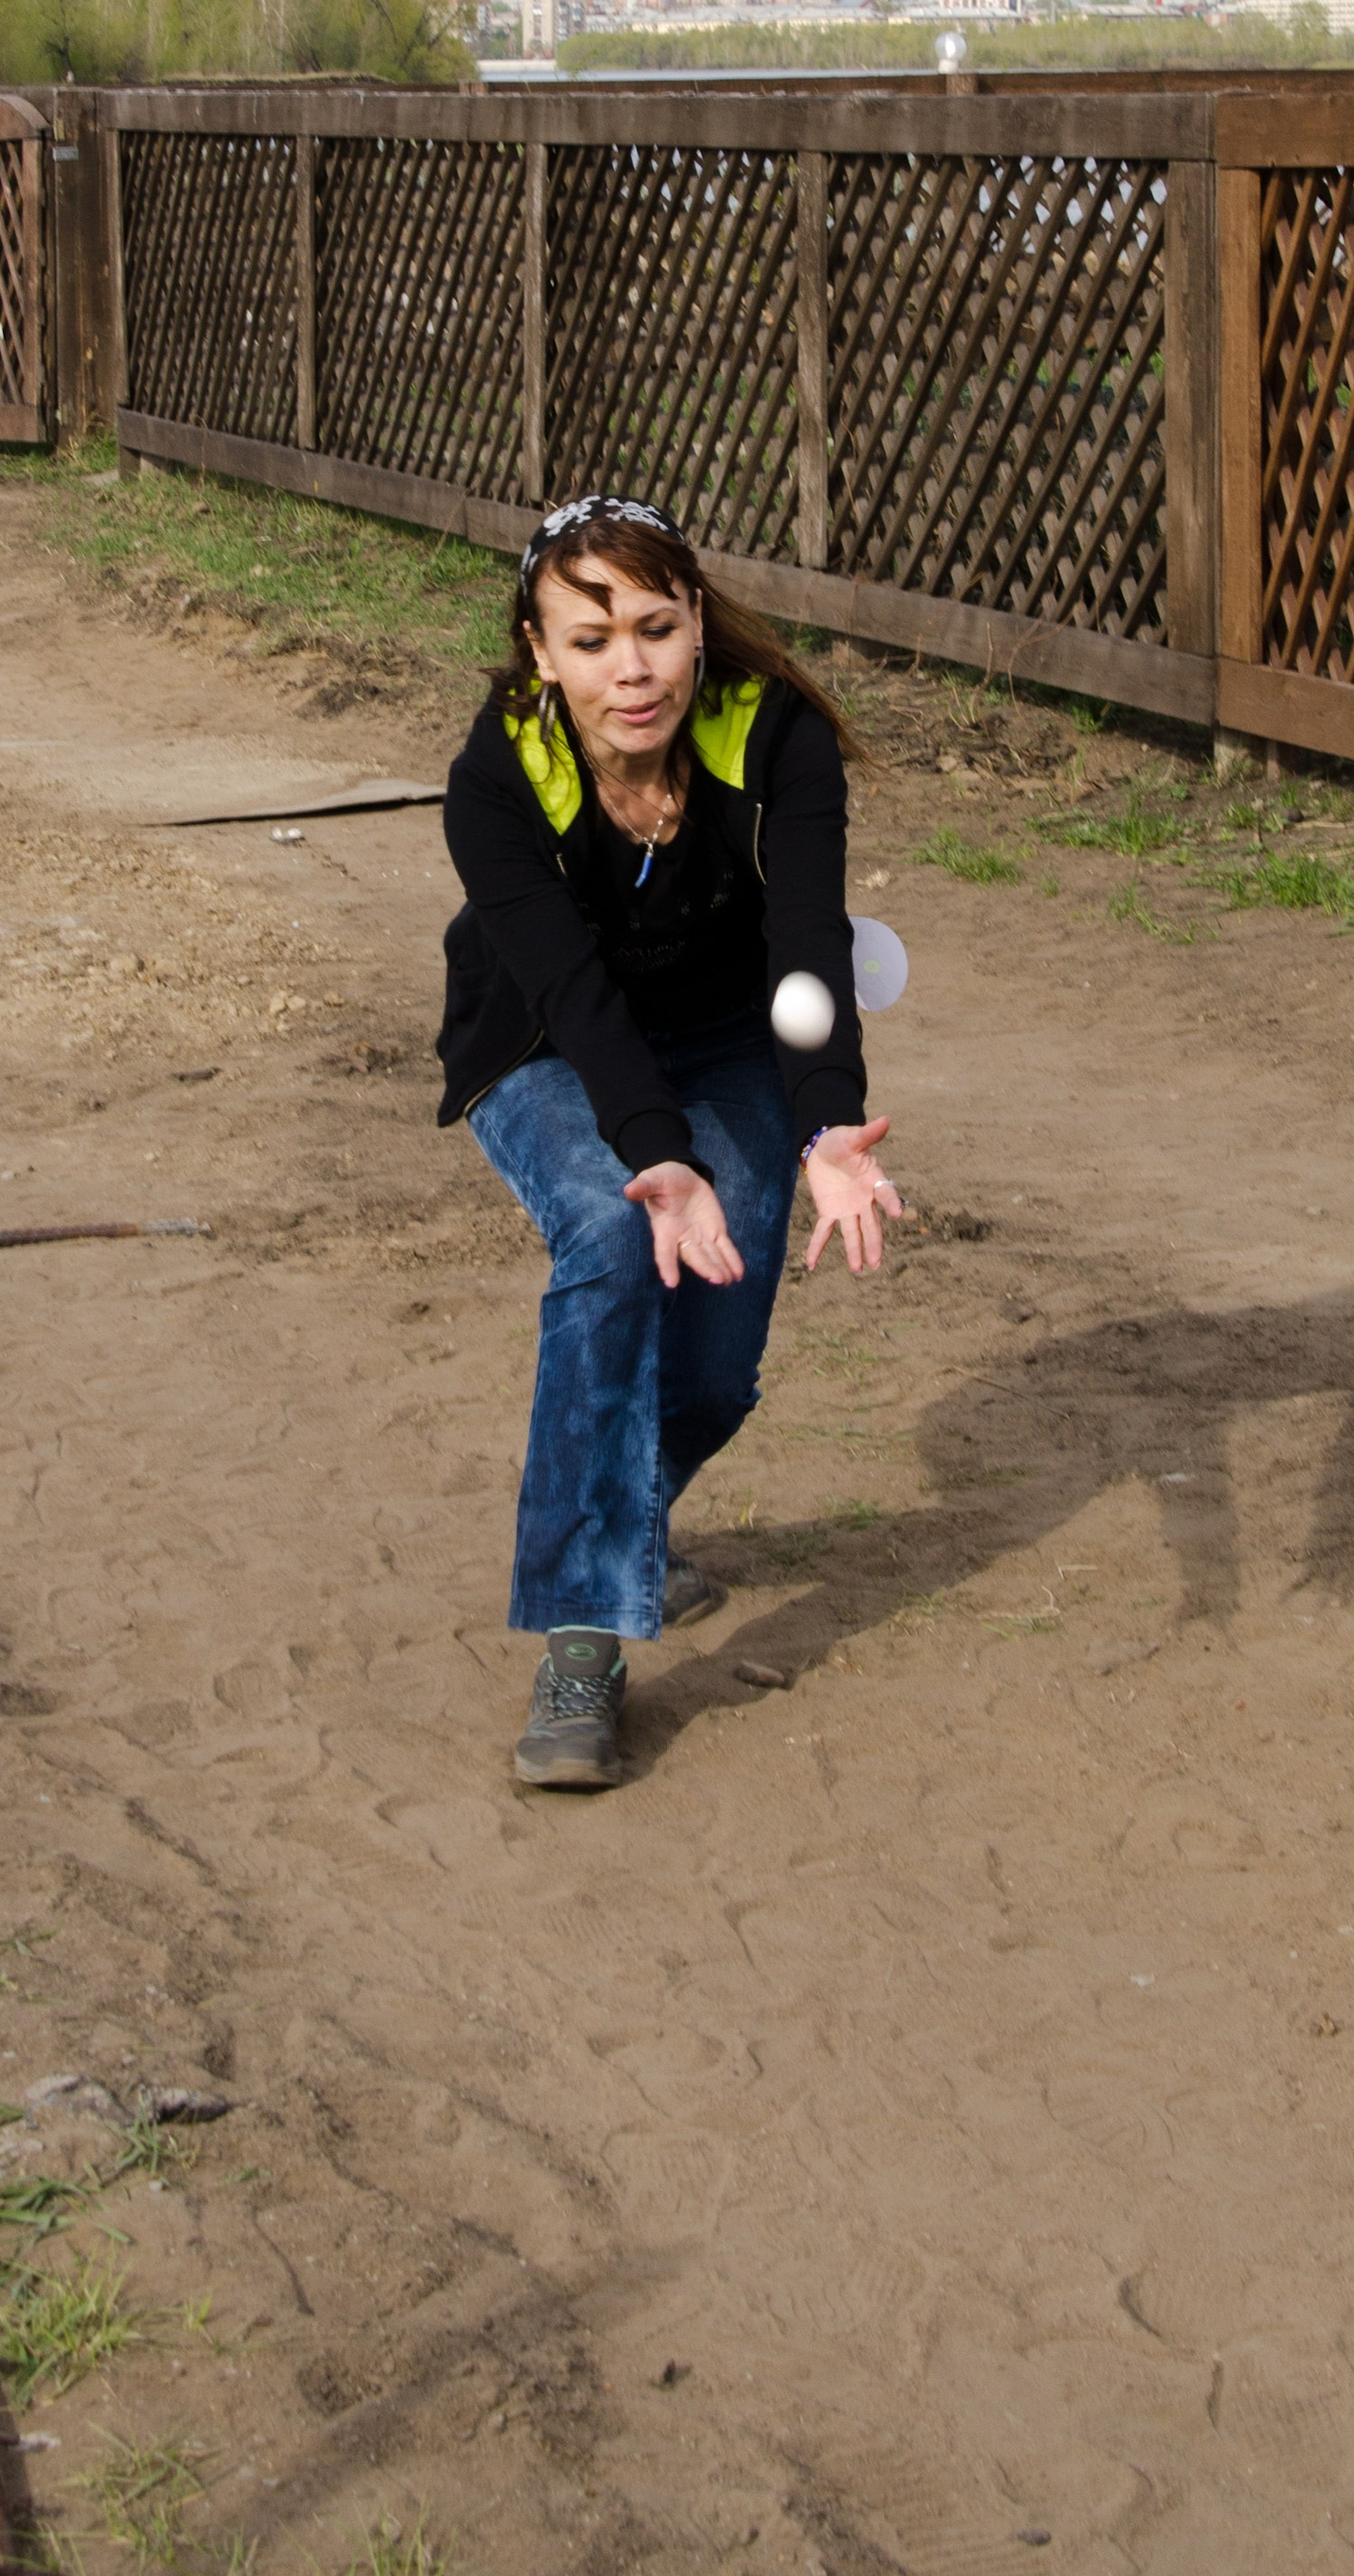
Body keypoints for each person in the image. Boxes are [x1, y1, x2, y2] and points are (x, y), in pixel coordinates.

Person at [435, 491, 902, 1789]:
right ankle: (583, 1639)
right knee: (607, 1236)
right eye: (589, 640)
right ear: (538, 651)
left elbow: (807, 956)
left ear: (698, 622)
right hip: (544, 1040)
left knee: (712, 1368)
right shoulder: (496, 776)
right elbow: (573, 993)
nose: (628, 667)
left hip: (726, 1041)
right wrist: (660, 1156)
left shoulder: (777, 737)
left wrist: (823, 1131)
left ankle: (618, 1508)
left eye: (654, 626)